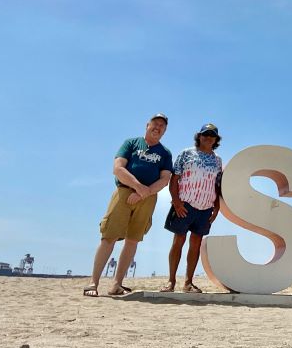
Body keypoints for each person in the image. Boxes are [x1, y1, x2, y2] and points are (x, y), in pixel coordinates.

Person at [84, 113, 173, 297]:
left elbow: (165, 179)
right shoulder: (131, 143)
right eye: (155, 123)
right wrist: (138, 187)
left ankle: (117, 284)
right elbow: (118, 168)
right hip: (124, 193)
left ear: (165, 131)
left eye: (162, 126)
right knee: (109, 236)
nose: (158, 127)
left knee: (132, 240)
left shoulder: (165, 153)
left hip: (148, 198)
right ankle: (93, 282)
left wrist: (143, 193)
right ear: (147, 125)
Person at [160, 123, 224, 293]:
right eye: (205, 134)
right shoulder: (186, 154)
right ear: (199, 136)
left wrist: (216, 207)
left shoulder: (218, 160)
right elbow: (175, 179)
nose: (208, 137)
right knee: (178, 241)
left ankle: (188, 283)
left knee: (195, 244)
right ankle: (171, 282)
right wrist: (176, 202)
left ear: (216, 139)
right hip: (185, 205)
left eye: (212, 135)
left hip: (205, 207)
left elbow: (217, 186)